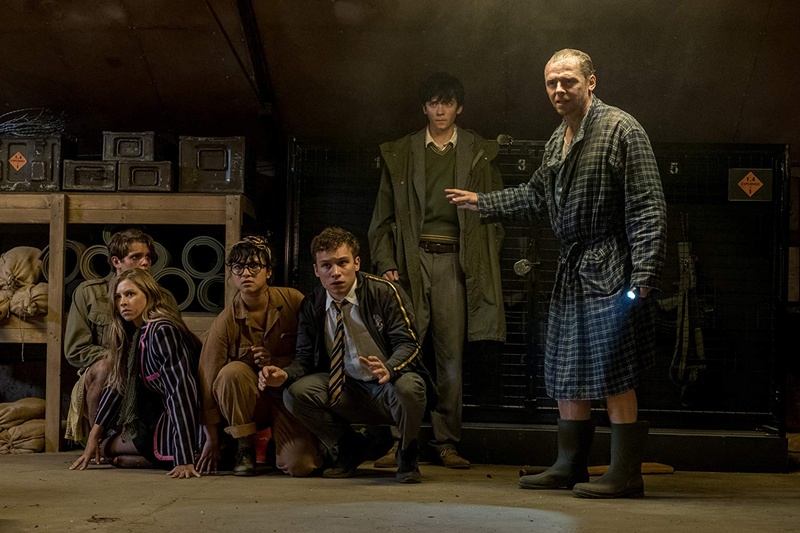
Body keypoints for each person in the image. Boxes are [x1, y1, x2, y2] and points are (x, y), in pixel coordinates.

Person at [446, 49, 668, 498]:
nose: (559, 90)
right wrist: (483, 202)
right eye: (551, 83)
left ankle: (626, 473)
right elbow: (535, 196)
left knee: (614, 369)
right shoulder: (558, 138)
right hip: (572, 269)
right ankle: (570, 466)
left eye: (568, 81)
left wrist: (644, 272)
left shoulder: (621, 129)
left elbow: (647, 205)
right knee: (566, 368)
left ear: (591, 82)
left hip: (611, 266)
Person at [368, 71, 506, 469]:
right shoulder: (403, 152)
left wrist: (478, 260)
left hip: (454, 263)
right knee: (402, 350)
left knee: (450, 357)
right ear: (424, 108)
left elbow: (496, 214)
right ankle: (400, 441)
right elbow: (381, 218)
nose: (440, 110)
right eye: (433, 103)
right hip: (411, 263)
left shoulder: (478, 152)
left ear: (459, 108)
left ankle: (446, 443)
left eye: (447, 103)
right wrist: (387, 262)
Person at [257, 227, 431, 483]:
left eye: (342, 263)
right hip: (346, 388)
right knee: (295, 393)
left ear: (356, 263)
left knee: (410, 387)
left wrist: (390, 367)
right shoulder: (312, 304)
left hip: (387, 385)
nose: (335, 272)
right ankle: (350, 448)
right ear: (316, 270)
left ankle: (407, 454)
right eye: (326, 265)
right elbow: (304, 359)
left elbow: (410, 344)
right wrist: (284, 375)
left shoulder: (384, 292)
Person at [196, 236, 322, 477]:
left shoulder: (293, 301)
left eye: (254, 265)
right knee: (231, 373)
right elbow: (207, 380)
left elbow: (313, 353)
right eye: (238, 267)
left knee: (301, 465)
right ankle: (244, 447)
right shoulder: (225, 322)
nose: (246, 273)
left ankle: (280, 446)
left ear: (269, 272)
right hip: (250, 405)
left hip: (288, 397)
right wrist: (211, 438)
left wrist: (275, 362)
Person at [69, 268, 203, 479]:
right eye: (118, 297)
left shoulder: (162, 330)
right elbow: (118, 385)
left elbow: (181, 392)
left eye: (130, 294)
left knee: (107, 449)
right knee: (103, 447)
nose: (123, 302)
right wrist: (94, 435)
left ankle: (175, 455)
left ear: (149, 295)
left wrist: (184, 459)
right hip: (153, 417)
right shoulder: (133, 333)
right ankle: (139, 457)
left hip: (185, 421)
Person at [64, 228, 179, 446]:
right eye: (136, 257)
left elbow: (174, 348)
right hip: (105, 373)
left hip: (148, 373)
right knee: (106, 366)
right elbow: (75, 350)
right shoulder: (90, 293)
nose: (145, 263)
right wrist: (121, 357)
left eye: (148, 257)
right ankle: (98, 441)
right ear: (116, 261)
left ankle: (140, 442)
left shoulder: (164, 298)